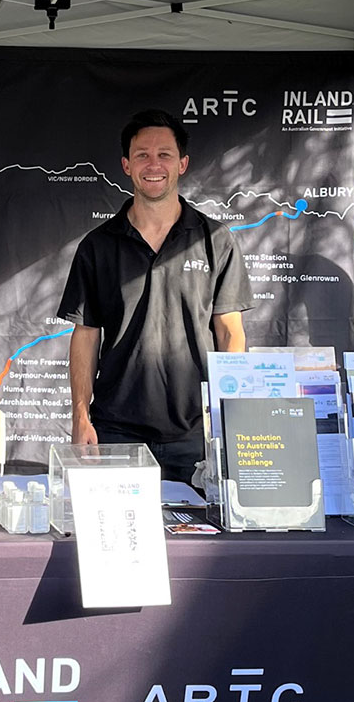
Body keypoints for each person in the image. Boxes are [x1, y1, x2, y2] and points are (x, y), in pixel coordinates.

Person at [56, 109, 254, 484]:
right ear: (126, 165)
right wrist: (80, 416)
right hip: (115, 433)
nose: (153, 164)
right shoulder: (97, 246)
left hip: (195, 435)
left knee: (202, 542)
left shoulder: (215, 241)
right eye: (142, 155)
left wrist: (228, 420)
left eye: (164, 154)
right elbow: (85, 336)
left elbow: (231, 335)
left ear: (182, 163)